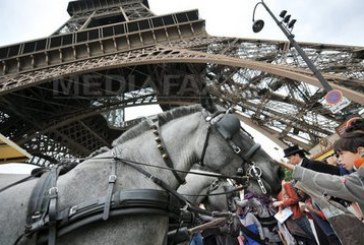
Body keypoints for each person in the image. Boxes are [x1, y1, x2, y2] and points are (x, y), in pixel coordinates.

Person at [273, 180, 317, 245]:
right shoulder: (274, 190)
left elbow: (295, 199)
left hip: (298, 217)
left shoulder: (285, 185)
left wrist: (281, 202)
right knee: (301, 239)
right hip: (288, 219)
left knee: (310, 237)